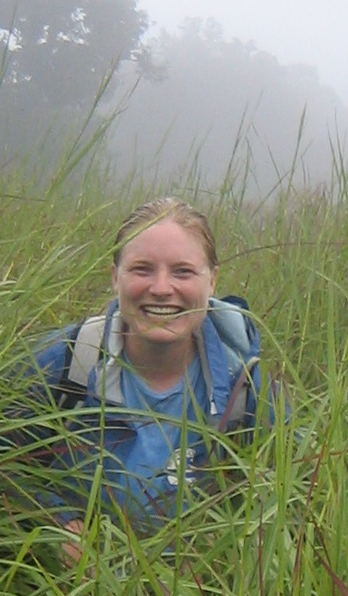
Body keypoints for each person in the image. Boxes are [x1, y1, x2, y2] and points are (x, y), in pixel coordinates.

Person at [22, 197, 273, 549]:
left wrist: (227, 544)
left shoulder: (243, 383)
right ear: (115, 277)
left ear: (212, 281)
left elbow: (292, 489)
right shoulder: (66, 359)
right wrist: (58, 524)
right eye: (142, 269)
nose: (160, 288)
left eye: (183, 272)